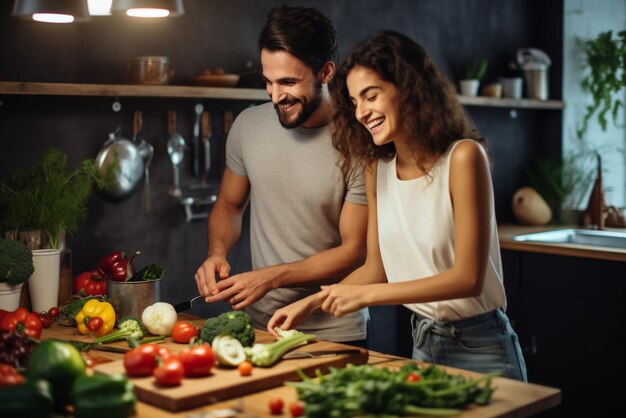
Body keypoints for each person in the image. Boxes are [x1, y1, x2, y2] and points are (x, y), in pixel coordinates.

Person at [268, 30, 527, 381]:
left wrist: (368, 297)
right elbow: (376, 269)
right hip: (422, 342)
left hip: (482, 346)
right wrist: (311, 303)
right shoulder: (378, 169)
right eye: (354, 101)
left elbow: (467, 278)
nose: (361, 112)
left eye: (371, 96)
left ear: (408, 88)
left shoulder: (464, 157)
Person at [194, 6, 369, 346]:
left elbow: (355, 252)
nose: (275, 96)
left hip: (336, 334)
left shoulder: (360, 141)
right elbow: (229, 205)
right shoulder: (248, 126)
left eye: (288, 82)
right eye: (268, 82)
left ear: (326, 72)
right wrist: (217, 252)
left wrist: (271, 278)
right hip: (261, 328)